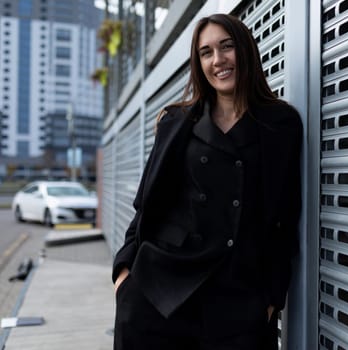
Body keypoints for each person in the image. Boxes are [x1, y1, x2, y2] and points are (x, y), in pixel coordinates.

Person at [111, 13, 303, 350]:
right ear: (198, 64)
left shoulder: (281, 124)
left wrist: (274, 295)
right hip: (159, 293)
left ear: (245, 50)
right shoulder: (175, 121)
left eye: (226, 47)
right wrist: (124, 274)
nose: (218, 60)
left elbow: (284, 217)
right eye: (206, 52)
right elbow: (146, 205)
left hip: (238, 300)